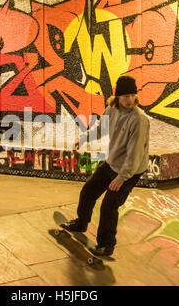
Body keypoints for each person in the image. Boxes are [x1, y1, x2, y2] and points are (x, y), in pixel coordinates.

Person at [61, 76, 150, 256]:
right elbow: (101, 129)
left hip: (129, 171)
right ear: (117, 97)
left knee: (109, 205)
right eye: (125, 96)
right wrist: (83, 139)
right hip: (112, 163)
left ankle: (106, 244)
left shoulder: (139, 119)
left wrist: (121, 178)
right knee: (88, 191)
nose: (129, 100)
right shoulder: (111, 109)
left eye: (132, 95)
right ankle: (81, 222)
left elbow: (135, 153)